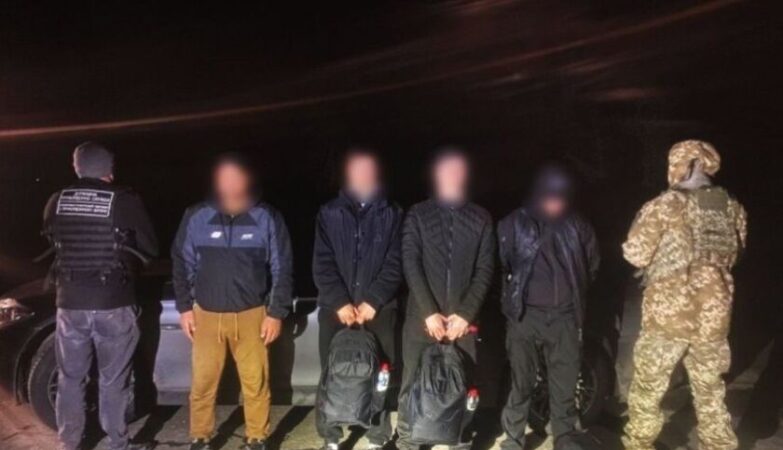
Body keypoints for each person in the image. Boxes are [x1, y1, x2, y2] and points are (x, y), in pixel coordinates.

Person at [622, 140, 747, 450]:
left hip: (668, 315)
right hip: (713, 317)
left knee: (648, 389)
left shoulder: (665, 205)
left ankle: (639, 444)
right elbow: (736, 254)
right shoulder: (732, 207)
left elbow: (636, 253)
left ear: (685, 164)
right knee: (710, 391)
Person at [171, 153, 294, 450]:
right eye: (224, 177)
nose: (231, 184)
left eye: (236, 177)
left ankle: (257, 437)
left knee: (255, 382)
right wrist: (185, 308)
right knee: (202, 383)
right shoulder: (196, 215)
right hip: (206, 314)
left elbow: (282, 267)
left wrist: (276, 313)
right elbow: (181, 263)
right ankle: (200, 436)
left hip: (252, 314)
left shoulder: (267, 217)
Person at [43, 142, 158, 450]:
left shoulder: (56, 200)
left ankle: (69, 443)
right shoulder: (124, 200)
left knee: (70, 378)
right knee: (113, 380)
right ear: (110, 169)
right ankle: (117, 443)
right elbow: (150, 248)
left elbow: (53, 241)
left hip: (70, 303)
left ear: (76, 166)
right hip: (113, 302)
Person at [396, 148, 496, 450]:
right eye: (446, 171)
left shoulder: (481, 218)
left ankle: (459, 440)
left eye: (457, 171)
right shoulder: (418, 214)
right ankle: (408, 442)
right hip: (422, 319)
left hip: (462, 324)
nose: (452, 176)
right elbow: (410, 262)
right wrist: (429, 312)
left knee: (463, 386)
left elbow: (485, 269)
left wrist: (466, 314)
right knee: (412, 384)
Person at [497, 164, 600, 450]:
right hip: (525, 316)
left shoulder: (578, 225)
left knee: (564, 383)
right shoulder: (513, 223)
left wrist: (569, 298)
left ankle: (564, 437)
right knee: (521, 382)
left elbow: (591, 266)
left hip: (565, 317)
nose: (555, 199)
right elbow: (505, 263)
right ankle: (513, 438)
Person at [312, 148, 404, 450]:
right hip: (335, 309)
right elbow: (322, 262)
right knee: (331, 373)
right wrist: (340, 301)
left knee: (381, 373)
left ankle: (377, 436)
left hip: (379, 310)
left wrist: (373, 300)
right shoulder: (329, 212)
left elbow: (396, 262)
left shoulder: (393, 213)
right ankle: (331, 437)